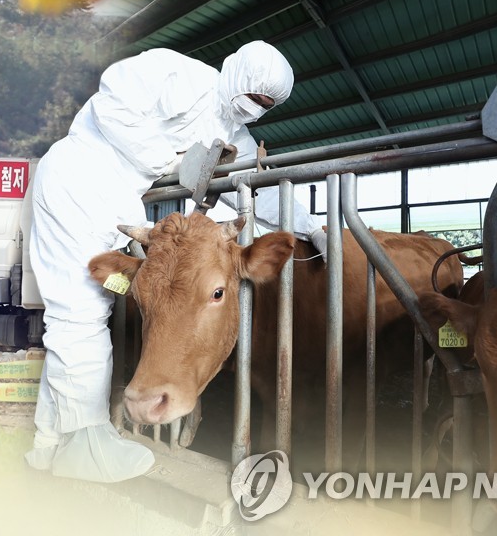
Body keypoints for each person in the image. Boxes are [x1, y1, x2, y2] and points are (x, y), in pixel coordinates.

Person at [26, 41, 326, 483]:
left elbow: (256, 192)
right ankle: (87, 446)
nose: (255, 108)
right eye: (253, 96)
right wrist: (171, 161)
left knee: (71, 321)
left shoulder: (237, 136)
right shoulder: (178, 75)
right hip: (80, 180)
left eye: (265, 105)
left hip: (116, 202)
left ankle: (48, 444)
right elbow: (112, 105)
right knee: (80, 318)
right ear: (238, 75)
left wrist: (312, 225)